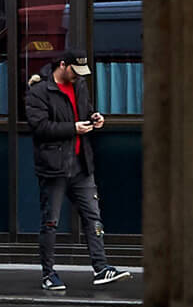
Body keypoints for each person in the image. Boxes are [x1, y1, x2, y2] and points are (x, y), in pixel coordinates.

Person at [23, 50, 130, 292]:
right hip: (54, 167)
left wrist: (94, 117)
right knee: (51, 222)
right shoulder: (39, 92)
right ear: (63, 65)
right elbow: (39, 127)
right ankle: (48, 274)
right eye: (75, 71)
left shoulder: (79, 85)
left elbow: (85, 110)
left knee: (93, 217)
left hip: (81, 165)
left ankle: (101, 268)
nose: (78, 77)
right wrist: (73, 128)